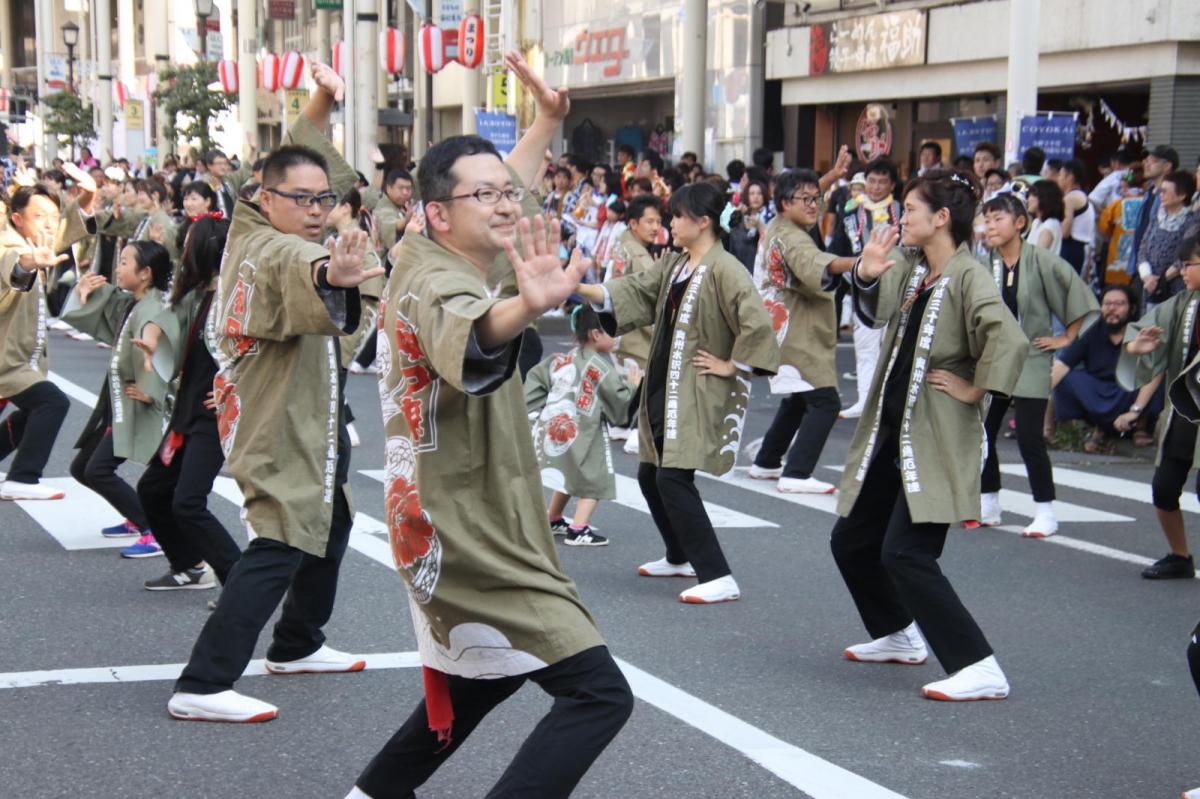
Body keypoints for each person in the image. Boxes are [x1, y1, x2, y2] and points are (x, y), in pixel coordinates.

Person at [352, 51, 633, 799]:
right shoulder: (440, 281)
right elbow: (472, 335)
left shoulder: (428, 244)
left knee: (485, 679)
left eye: (511, 193)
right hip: (467, 527)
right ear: (438, 211)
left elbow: (497, 183)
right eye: (489, 198)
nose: (510, 204)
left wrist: (546, 121)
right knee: (599, 693)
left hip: (447, 514)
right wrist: (526, 307)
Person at [167, 62, 382, 724]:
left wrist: (323, 95)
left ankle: (297, 641)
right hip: (280, 414)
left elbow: (306, 157)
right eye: (304, 200)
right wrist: (333, 272)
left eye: (325, 200)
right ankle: (202, 683)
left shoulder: (257, 224)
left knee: (332, 519)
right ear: (265, 195)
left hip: (310, 407)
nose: (318, 210)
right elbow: (302, 267)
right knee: (283, 536)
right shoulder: (270, 248)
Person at [830, 169, 1028, 702]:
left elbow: (1007, 338)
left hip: (936, 436)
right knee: (851, 541)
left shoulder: (969, 275)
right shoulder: (918, 270)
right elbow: (874, 308)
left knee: (907, 554)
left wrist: (974, 389)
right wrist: (868, 274)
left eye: (911, 210)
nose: (903, 218)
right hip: (893, 435)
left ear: (942, 218)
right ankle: (897, 633)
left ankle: (980, 665)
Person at [576, 182, 779, 604]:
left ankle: (719, 574)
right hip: (665, 381)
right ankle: (679, 554)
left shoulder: (726, 269)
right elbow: (634, 291)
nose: (670, 222)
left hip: (696, 386)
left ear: (702, 221)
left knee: (673, 475)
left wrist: (733, 364)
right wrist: (576, 287)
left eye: (676, 216)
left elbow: (758, 322)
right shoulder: (676, 264)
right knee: (652, 472)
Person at [975, 192, 1099, 537]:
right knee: (982, 431)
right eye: (987, 219)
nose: (991, 226)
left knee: (1030, 436)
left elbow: (1079, 296)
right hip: (994, 356)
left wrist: (1066, 338)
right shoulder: (984, 263)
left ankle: (1045, 510)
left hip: (1031, 355)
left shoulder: (1042, 261)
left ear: (1019, 223)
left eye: (998, 218)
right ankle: (989, 501)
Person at [133, 215, 243, 590]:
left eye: (188, 243)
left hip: (214, 414)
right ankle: (189, 565)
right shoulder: (198, 296)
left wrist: (238, 384)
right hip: (188, 412)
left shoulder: (234, 298)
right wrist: (156, 347)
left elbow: (264, 353)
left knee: (188, 502)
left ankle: (241, 581)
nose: (182, 250)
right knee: (152, 489)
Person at [750, 168, 858, 494]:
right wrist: (860, 261)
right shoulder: (791, 236)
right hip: (797, 329)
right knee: (825, 401)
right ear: (785, 203)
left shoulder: (780, 224)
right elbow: (815, 263)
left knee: (799, 397)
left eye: (817, 198)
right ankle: (796, 473)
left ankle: (767, 461)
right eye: (806, 199)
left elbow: (803, 198)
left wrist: (833, 175)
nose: (814, 205)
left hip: (783, 323)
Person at [61, 241, 172, 557]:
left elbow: (163, 352)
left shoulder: (153, 310)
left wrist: (152, 391)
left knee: (97, 470)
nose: (118, 268)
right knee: (82, 467)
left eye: (125, 262)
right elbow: (98, 313)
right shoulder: (133, 302)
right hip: (118, 402)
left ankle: (153, 528)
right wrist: (85, 293)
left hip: (135, 403)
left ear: (146, 273)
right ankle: (138, 519)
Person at [0, 172, 97, 500]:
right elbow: (15, 266)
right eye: (39, 217)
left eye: (52, 217)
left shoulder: (35, 241)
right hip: (7, 362)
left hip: (18, 361)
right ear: (16, 218)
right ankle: (23, 478)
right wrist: (28, 264)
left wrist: (88, 195)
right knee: (51, 402)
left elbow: (68, 227)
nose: (48, 225)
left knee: (32, 414)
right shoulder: (9, 245)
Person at [1120, 235, 1200, 580]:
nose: (1182, 272)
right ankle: (1180, 556)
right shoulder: (1184, 304)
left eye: (1189, 265)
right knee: (1165, 487)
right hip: (1185, 414)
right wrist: (1138, 346)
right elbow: (1143, 331)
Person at [525, 305, 639, 546]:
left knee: (569, 474)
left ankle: (553, 517)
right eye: (612, 331)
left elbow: (535, 380)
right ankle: (578, 529)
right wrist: (632, 385)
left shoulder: (562, 359)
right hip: (584, 431)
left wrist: (531, 407)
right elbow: (619, 400)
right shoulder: (598, 366)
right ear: (596, 334)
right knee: (594, 478)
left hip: (555, 426)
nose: (617, 337)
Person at [831, 158, 901, 419]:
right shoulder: (851, 212)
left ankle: (888, 399)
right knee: (866, 346)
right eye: (871, 180)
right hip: (864, 286)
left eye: (883, 181)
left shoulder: (902, 211)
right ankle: (865, 399)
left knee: (893, 347)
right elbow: (838, 248)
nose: (876, 187)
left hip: (897, 286)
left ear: (892, 184)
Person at [1052, 284, 1161, 452]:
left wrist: (1136, 409)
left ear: (1131, 308)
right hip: (1097, 391)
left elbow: (1154, 371)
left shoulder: (1141, 334)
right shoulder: (1091, 331)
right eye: (1107, 304)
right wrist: (1035, 396)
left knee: (1155, 378)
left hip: (1129, 394)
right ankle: (1093, 429)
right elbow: (1063, 364)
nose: (1112, 309)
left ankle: (1141, 426)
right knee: (1067, 378)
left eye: (1119, 304)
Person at [1137, 170, 1197, 306]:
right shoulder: (1156, 219)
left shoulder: (1192, 222)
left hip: (1175, 286)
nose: (1161, 195)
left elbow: (1186, 256)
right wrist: (1147, 277)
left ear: (1181, 195)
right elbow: (1142, 249)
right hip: (1149, 285)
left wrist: (1161, 279)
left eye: (1165, 191)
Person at [1128, 144, 1180, 281]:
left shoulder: (1173, 197)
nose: (1145, 163)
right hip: (1141, 267)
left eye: (1151, 160)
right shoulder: (1149, 192)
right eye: (1145, 159)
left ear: (1167, 166)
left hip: (1159, 273)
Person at [1096, 165, 1145, 288]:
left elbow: (1104, 228)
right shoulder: (1150, 203)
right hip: (1142, 262)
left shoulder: (1116, 205)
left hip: (1118, 257)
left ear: (1124, 184)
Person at [1057, 159, 1096, 276]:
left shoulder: (1070, 198)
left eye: (1060, 175)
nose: (1058, 178)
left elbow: (1065, 232)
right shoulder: (1082, 196)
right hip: (1082, 249)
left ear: (1069, 177)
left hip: (1072, 249)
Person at [729, 179, 770, 272]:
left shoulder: (770, 218)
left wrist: (760, 226)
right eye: (752, 193)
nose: (756, 197)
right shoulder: (739, 218)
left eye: (759, 193)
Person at [373, 167, 414, 254]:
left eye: (408, 189)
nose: (405, 192)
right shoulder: (383, 208)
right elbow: (393, 225)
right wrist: (407, 219)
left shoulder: (401, 206)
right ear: (388, 188)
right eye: (401, 188)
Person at [1027, 179, 1065, 256]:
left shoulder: (1050, 224)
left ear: (1044, 198)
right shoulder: (1036, 222)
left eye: (1033, 195)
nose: (1028, 199)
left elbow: (1036, 257)